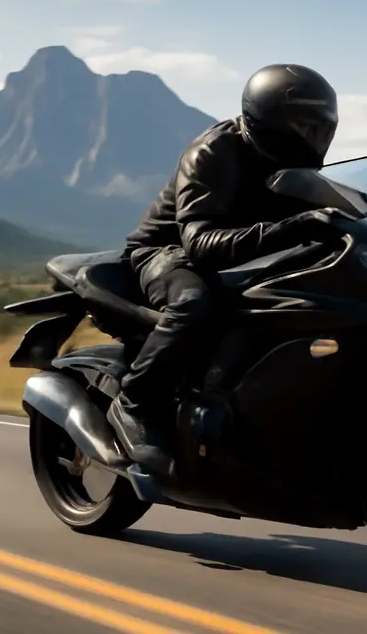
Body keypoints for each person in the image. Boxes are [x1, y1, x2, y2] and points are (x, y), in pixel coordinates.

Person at [106, 63, 345, 480]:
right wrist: (290, 229)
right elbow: (199, 242)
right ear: (271, 124)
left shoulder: (295, 164)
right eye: (304, 127)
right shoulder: (213, 152)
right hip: (167, 252)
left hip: (246, 256)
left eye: (320, 128)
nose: (313, 139)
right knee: (196, 302)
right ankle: (134, 401)